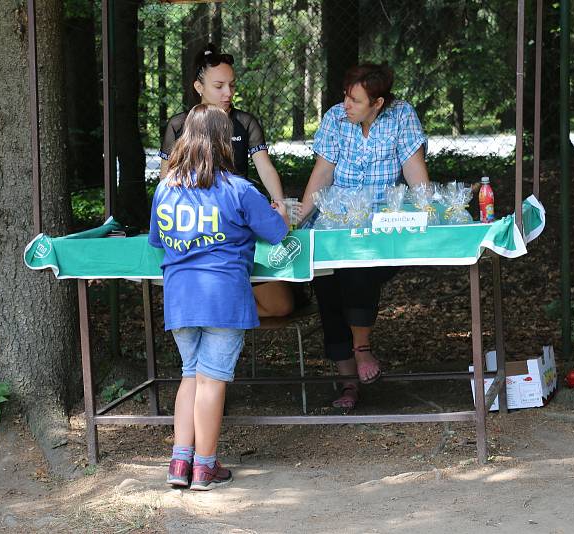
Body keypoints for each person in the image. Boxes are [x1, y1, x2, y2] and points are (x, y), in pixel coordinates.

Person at [149, 104, 289, 490]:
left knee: (189, 377)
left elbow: (159, 240)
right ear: (224, 142)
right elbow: (276, 231)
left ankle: (180, 463)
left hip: (180, 297)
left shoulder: (165, 188)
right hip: (224, 296)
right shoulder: (238, 188)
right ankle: (205, 467)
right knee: (211, 382)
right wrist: (281, 214)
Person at [298, 63, 431, 410]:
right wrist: (299, 219)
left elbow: (414, 169)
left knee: (359, 268)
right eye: (345, 95)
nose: (346, 104)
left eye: (355, 100)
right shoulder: (334, 119)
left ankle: (361, 349)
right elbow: (322, 173)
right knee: (326, 285)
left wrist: (428, 210)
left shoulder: (402, 116)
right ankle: (347, 382)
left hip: (381, 227)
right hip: (333, 224)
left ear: (378, 103)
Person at [160, 43, 295, 318]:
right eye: (219, 85)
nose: (228, 93)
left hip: (241, 222)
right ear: (198, 86)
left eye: (232, 85)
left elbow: (265, 168)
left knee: (282, 305)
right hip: (195, 228)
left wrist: (279, 204)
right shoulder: (178, 125)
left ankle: (226, 314)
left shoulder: (244, 122)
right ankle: (223, 316)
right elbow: (167, 180)